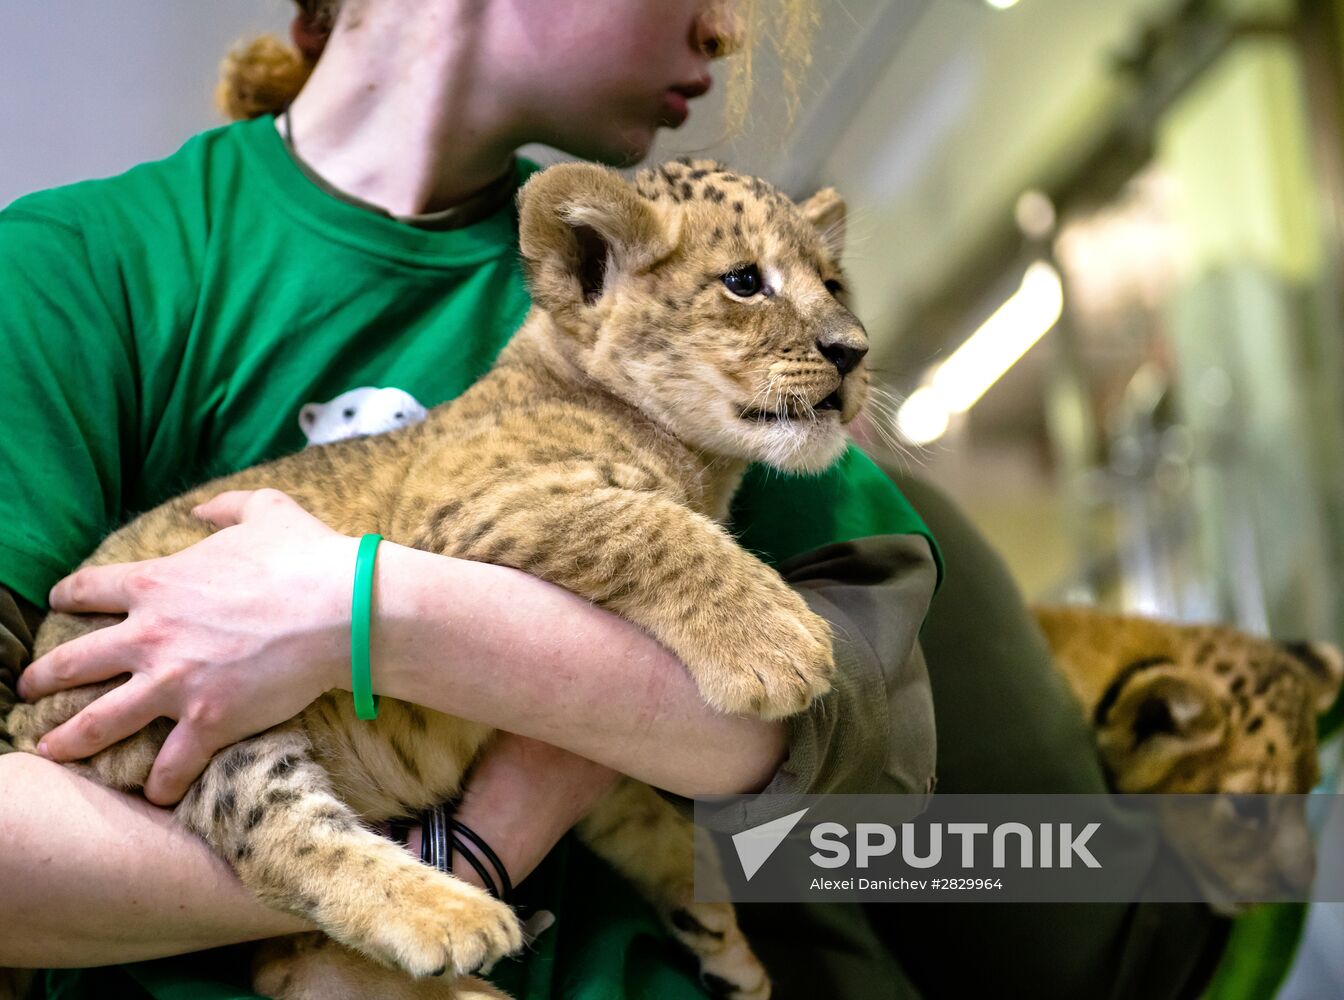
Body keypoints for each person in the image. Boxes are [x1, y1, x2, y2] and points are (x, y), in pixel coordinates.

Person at [0, 2, 1230, 998]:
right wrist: (428, 861)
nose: (728, 28)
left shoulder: (699, 292)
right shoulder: (82, 270)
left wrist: (367, 609)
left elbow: (846, 764)